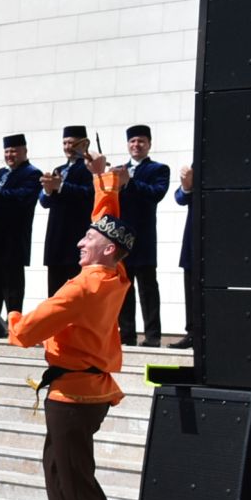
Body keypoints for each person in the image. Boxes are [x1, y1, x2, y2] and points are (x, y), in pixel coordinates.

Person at [10, 153, 131, 500]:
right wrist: (104, 178)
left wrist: (15, 317)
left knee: (79, 488)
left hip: (75, 397)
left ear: (105, 251)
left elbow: (25, 333)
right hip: (85, 392)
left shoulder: (81, 289)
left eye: (89, 239)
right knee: (57, 474)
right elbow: (108, 223)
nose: (81, 241)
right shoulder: (117, 273)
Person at [0, 134, 42, 318]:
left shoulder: (32, 173)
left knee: (12, 285)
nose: (10, 154)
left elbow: (22, 197)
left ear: (24, 151)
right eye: (7, 151)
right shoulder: (0, 173)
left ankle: (14, 322)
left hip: (13, 239)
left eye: (14, 150)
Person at [116, 124, 170, 347]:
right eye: (132, 141)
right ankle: (126, 334)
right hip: (121, 238)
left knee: (148, 288)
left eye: (141, 141)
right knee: (123, 289)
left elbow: (156, 193)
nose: (136, 145)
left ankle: (152, 335)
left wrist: (130, 182)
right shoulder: (119, 170)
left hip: (144, 237)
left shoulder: (158, 169)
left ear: (149, 144)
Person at [41, 124, 94, 295]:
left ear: (84, 144)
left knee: (76, 291)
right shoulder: (59, 170)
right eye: (65, 143)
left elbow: (89, 194)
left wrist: (62, 186)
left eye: (72, 143)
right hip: (56, 237)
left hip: (76, 235)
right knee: (54, 291)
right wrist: (48, 190)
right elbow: (44, 202)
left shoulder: (89, 168)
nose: (67, 147)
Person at [170, 163, 195, 349]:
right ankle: (192, 333)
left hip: (224, 240)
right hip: (195, 239)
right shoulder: (200, 162)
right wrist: (186, 186)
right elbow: (180, 197)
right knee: (192, 287)